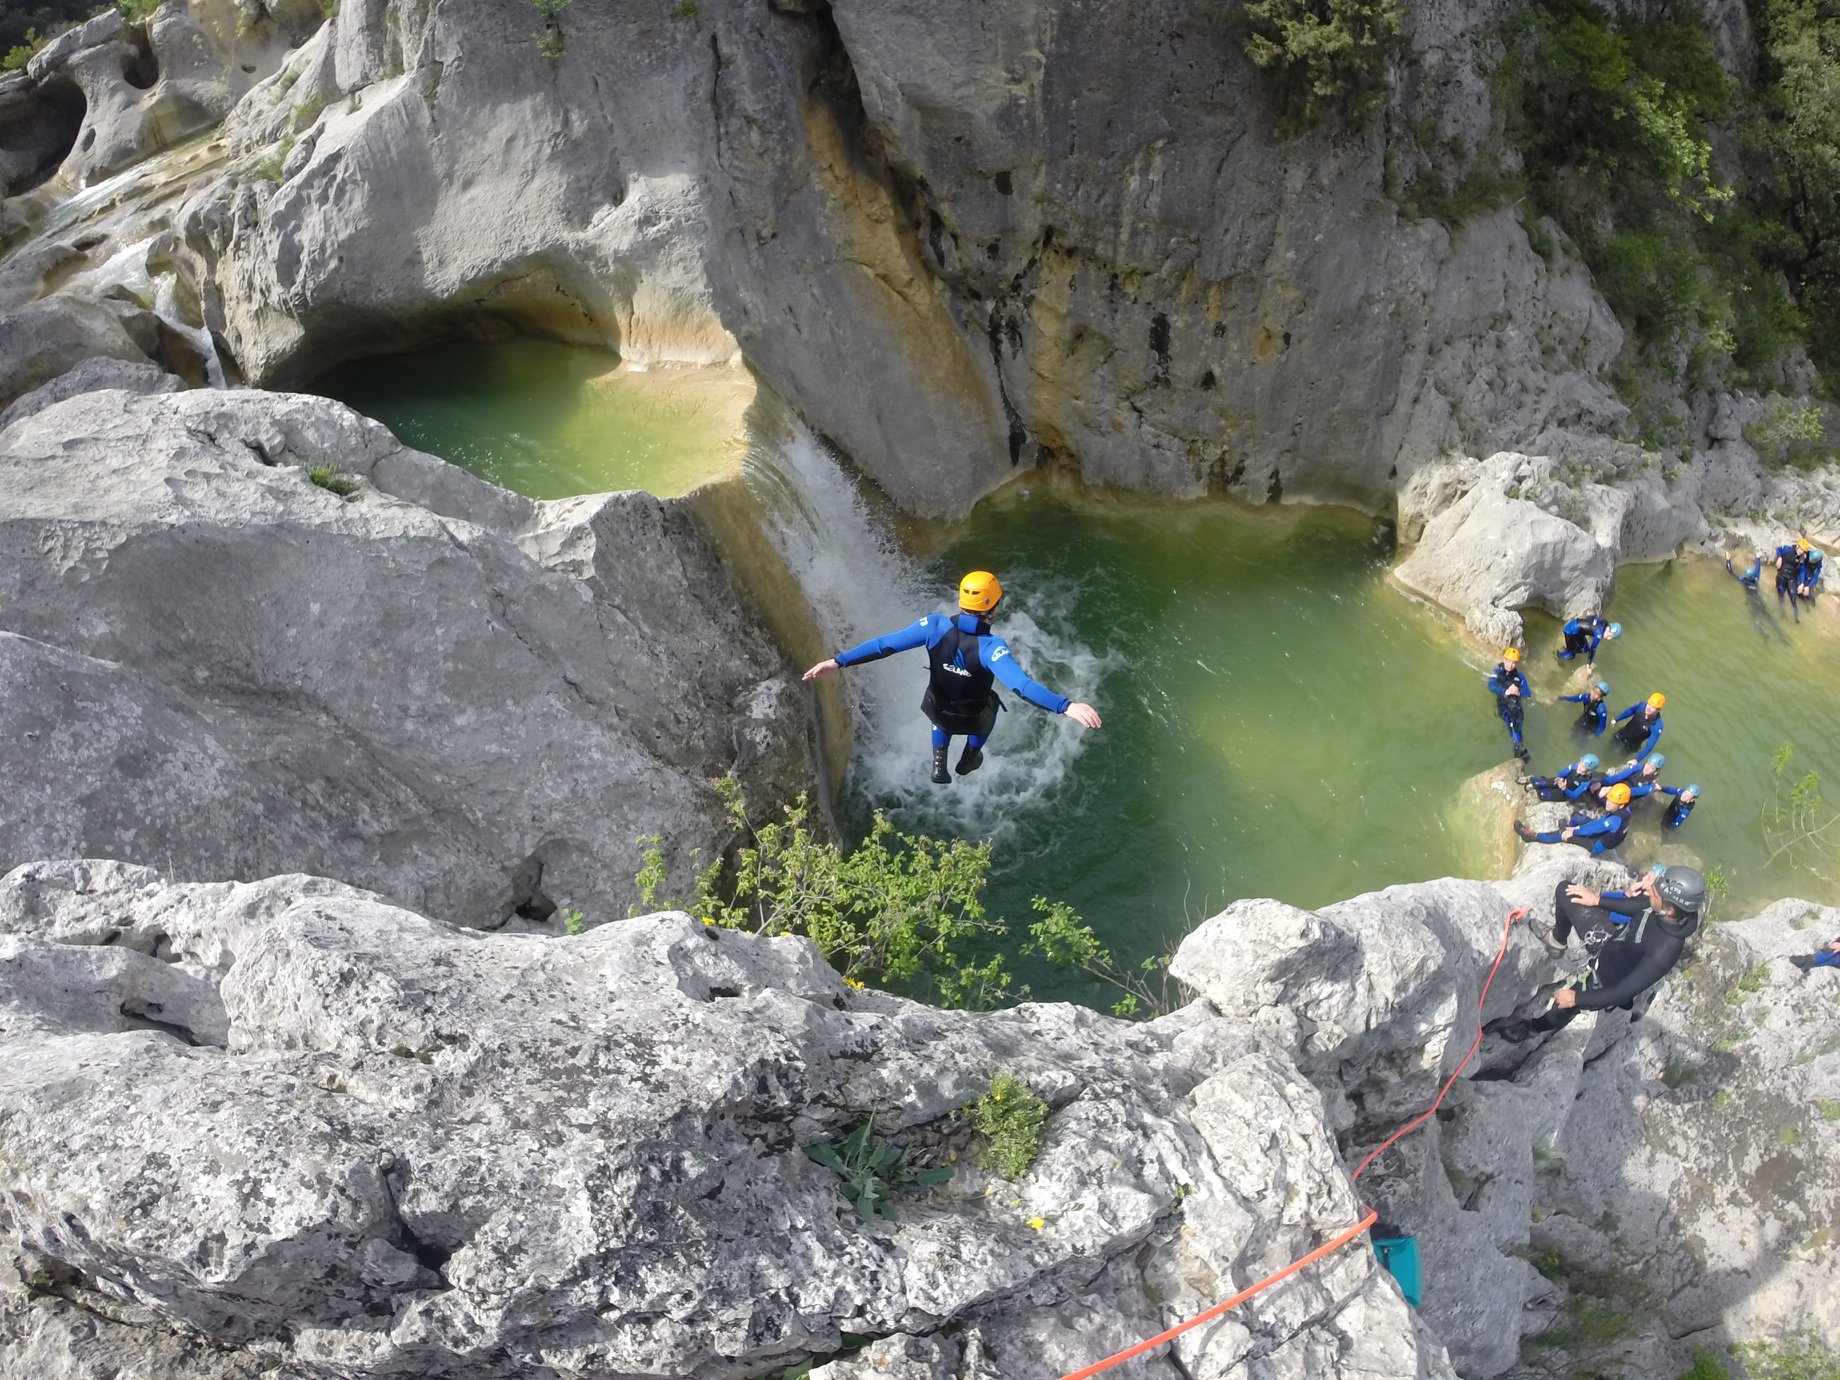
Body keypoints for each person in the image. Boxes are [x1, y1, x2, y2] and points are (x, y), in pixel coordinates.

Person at [802, 570, 1102, 785]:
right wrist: (1066, 706)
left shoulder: (933, 626)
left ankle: (938, 764)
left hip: (936, 707)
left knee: (941, 714)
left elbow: (884, 645)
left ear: (961, 601)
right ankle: (970, 757)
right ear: (993, 609)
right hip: (973, 716)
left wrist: (837, 661)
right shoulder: (992, 647)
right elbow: (1022, 687)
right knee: (992, 706)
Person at [1494, 867, 1705, 1040]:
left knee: (1562, 1006)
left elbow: (1622, 992)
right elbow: (1640, 907)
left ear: (1670, 910)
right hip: (1608, 942)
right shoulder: (1664, 909)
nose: (1650, 891)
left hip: (1606, 980)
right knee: (1567, 892)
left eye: (1656, 893)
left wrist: (1576, 997)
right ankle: (1557, 941)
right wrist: (1597, 900)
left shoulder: (1665, 951)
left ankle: (1533, 1028)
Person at [1513, 781, 1634, 854]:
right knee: (1576, 816)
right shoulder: (1625, 809)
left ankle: (1533, 836)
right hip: (1603, 833)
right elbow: (1600, 823)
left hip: (1595, 844)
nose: (1607, 802)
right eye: (1608, 799)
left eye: (1612, 802)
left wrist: (1574, 831)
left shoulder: (1614, 821)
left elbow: (1593, 829)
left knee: (1563, 834)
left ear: (1621, 805)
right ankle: (1568, 827)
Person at [1486, 647, 1531, 762]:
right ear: (1504, 660)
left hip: (1516, 703)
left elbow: (1528, 693)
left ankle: (1518, 747)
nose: (1511, 665)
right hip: (1504, 704)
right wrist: (1506, 691)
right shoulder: (1497, 672)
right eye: (1509, 661)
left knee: (1518, 721)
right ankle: (1518, 746)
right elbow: (1491, 686)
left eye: (1514, 663)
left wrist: (1518, 691)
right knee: (1511, 720)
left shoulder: (1520, 676)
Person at [1524, 753, 1600, 803]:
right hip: (1561, 781)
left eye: (1583, 767)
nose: (1579, 767)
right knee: (1542, 782)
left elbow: (1574, 795)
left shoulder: (1585, 782)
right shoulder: (1574, 766)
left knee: (1543, 794)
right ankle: (1533, 781)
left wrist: (1564, 788)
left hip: (1564, 793)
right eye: (1580, 763)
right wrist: (1560, 778)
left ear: (1589, 771)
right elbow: (1561, 773)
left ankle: (1539, 791)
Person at [1611, 693, 1665, 757]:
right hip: (1622, 734)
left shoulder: (1657, 726)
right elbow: (1631, 711)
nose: (1649, 708)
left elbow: (1649, 746)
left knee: (1619, 758)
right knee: (1610, 748)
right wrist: (1616, 719)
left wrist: (1637, 759)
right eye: (1649, 704)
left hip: (1632, 745)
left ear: (1658, 710)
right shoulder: (1641, 706)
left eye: (1653, 707)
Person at [1596, 753, 1665, 803]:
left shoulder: (1651, 785)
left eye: (1651, 768)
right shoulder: (1638, 767)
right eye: (1648, 764)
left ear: (1655, 772)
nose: (1647, 768)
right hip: (1618, 787)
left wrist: (1612, 790)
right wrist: (1601, 783)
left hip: (1626, 797)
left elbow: (1632, 792)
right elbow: (1619, 776)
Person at [1775, 538, 1808, 616]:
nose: (1802, 552)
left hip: (1792, 578)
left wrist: (1802, 583)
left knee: (1793, 595)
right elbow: (1779, 549)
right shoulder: (1787, 549)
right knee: (1781, 591)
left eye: (1804, 551)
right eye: (1801, 549)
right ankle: (1782, 611)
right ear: (1797, 546)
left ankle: (1796, 616)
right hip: (1782, 574)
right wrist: (1779, 557)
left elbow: (1802, 570)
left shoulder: (1802, 558)